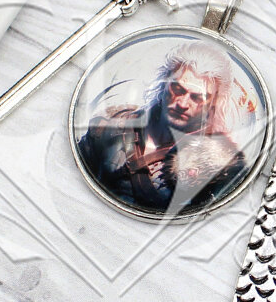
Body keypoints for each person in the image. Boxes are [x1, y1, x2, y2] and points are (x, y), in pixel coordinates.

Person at [77, 41, 247, 214]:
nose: (182, 103)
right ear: (164, 83)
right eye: (178, 89)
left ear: (214, 103)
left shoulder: (221, 165)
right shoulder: (112, 126)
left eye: (197, 97)